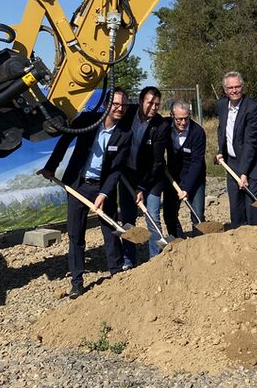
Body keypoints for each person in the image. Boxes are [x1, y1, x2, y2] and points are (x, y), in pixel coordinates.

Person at [38, 89, 131, 298]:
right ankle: (77, 281)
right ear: (107, 104)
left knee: (110, 230)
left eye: (124, 105)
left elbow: (116, 169)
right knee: (75, 234)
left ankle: (116, 272)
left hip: (103, 187)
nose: (120, 108)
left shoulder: (124, 133)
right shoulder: (88, 121)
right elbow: (64, 142)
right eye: (116, 104)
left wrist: (105, 194)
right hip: (78, 185)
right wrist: (51, 167)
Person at [215, 72, 257, 229]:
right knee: (235, 203)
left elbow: (251, 142)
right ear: (225, 89)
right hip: (232, 161)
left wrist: (244, 173)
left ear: (243, 87)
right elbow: (222, 129)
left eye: (237, 86)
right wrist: (221, 151)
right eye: (230, 87)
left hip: (254, 163)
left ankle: (256, 234)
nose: (234, 90)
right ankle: (239, 236)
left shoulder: (254, 108)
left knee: (251, 203)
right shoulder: (221, 105)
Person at [119, 86, 169, 262]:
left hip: (152, 179)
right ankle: (128, 261)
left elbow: (156, 162)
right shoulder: (128, 113)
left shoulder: (161, 125)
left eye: (157, 104)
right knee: (128, 219)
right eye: (150, 103)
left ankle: (155, 260)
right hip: (127, 177)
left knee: (152, 216)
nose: (154, 107)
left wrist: (141, 187)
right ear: (141, 102)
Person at [164, 100, 207, 237]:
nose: (183, 122)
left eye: (186, 118)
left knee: (197, 215)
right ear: (172, 116)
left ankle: (199, 243)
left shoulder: (197, 132)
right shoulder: (165, 126)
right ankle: (179, 242)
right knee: (169, 214)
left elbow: (196, 163)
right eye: (179, 119)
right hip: (173, 177)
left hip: (195, 178)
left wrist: (186, 189)